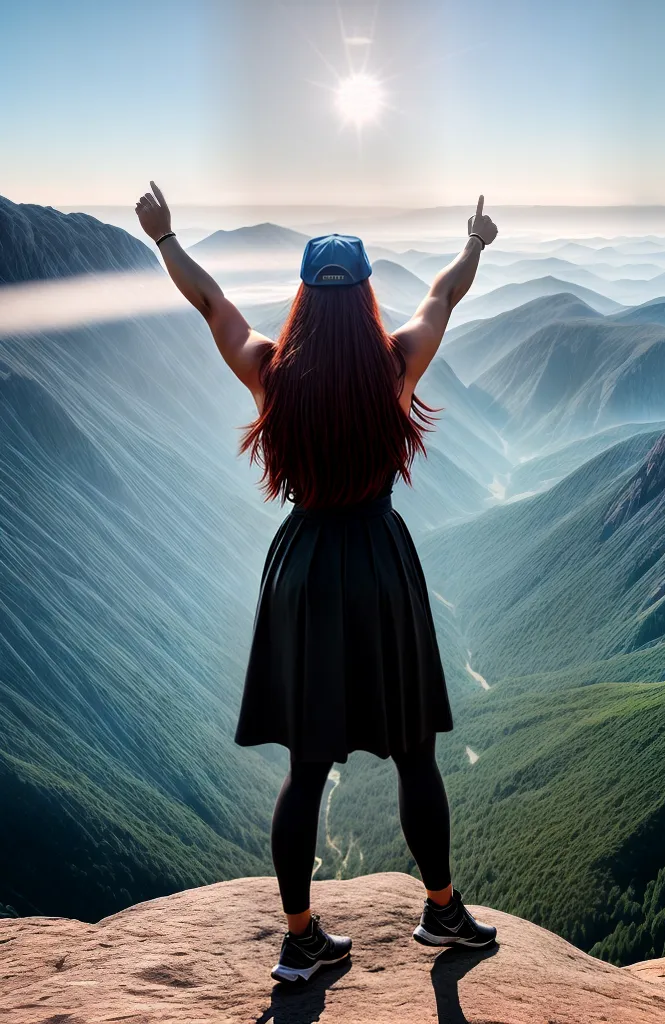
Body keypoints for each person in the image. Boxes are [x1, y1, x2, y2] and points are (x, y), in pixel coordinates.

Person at [135, 182, 499, 984]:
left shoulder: (272, 372)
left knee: (305, 768)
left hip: (303, 570)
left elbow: (212, 303)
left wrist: (164, 239)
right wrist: (475, 244)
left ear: (302, 298)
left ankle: (299, 936)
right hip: (378, 562)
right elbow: (443, 295)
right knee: (414, 755)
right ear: (367, 295)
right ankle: (442, 912)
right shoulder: (395, 365)